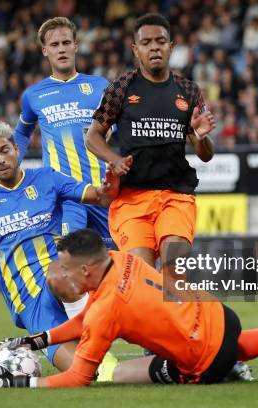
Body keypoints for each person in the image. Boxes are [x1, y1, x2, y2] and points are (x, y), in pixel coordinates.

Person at [0, 229, 258, 388]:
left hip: (201, 360)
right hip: (220, 316)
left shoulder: (107, 309)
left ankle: (241, 358)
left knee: (121, 375)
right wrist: (39, 340)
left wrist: (21, 382)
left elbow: (79, 378)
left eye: (63, 266)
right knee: (227, 344)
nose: (58, 272)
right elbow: (83, 321)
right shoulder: (121, 258)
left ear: (86, 269)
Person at [0, 122, 118, 372]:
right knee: (89, 373)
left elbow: (96, 195)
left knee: (64, 275)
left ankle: (103, 333)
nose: (0, 159)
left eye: (4, 150)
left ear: (16, 148)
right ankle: (105, 366)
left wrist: (109, 183)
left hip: (65, 275)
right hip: (27, 298)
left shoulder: (46, 177)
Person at [85, 13, 216, 271]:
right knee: (141, 280)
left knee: (173, 276)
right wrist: (116, 160)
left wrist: (200, 137)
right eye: (146, 42)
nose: (154, 47)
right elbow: (92, 136)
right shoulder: (121, 88)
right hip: (132, 199)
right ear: (136, 49)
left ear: (171, 47)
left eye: (161, 41)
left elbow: (205, 154)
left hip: (176, 196)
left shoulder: (188, 90)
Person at [14, 16, 113, 318]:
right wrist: (12, 168)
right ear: (45, 51)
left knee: (118, 266)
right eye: (54, 44)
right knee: (69, 266)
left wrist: (110, 136)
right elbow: (21, 132)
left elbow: (117, 127)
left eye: (66, 43)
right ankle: (82, 343)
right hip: (65, 196)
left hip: (101, 192)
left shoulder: (98, 87)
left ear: (75, 46)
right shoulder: (34, 95)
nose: (61, 49)